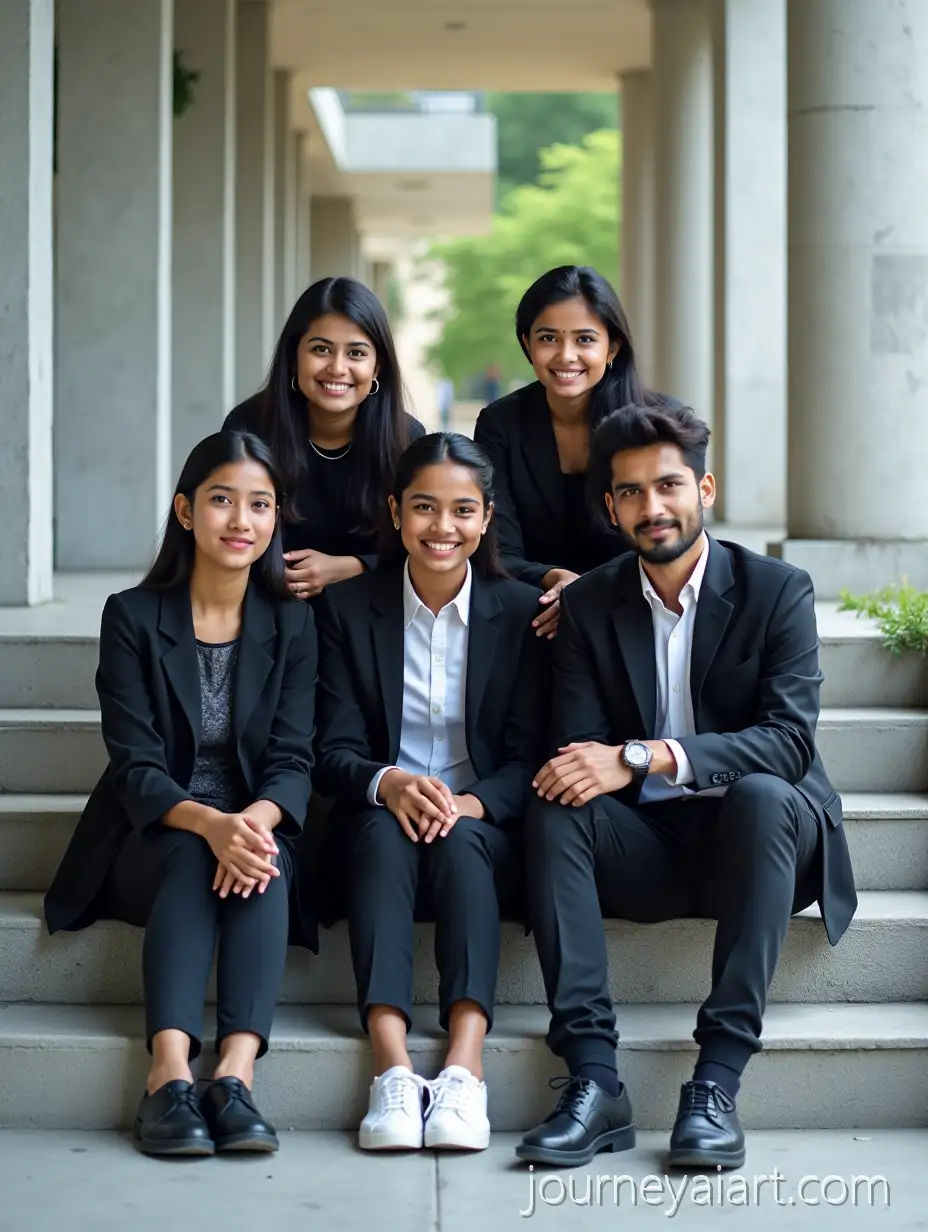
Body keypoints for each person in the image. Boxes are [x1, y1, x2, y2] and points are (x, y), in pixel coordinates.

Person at [515, 403, 856, 1170]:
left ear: (704, 487)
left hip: (765, 842)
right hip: (649, 847)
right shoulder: (590, 603)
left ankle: (716, 1082)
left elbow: (789, 741)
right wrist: (604, 765)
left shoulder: (776, 590)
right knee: (557, 797)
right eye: (630, 492)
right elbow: (578, 750)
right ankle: (595, 1080)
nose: (652, 506)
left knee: (763, 794)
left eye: (667, 485)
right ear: (609, 507)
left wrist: (646, 756)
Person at [44, 430, 318, 1158]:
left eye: (260, 505)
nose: (242, 520)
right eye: (223, 500)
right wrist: (211, 825)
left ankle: (232, 1076)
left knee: (264, 858)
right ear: (186, 512)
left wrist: (246, 825)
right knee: (200, 856)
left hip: (250, 822)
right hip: (153, 832)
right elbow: (134, 766)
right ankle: (167, 1072)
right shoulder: (132, 616)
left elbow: (293, 757)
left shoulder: (292, 621)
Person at [314, 432, 548, 1152]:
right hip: (377, 815)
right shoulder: (348, 608)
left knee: (465, 840)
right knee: (384, 833)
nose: (441, 528)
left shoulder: (522, 612)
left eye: (461, 511)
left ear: (485, 519)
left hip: (484, 823)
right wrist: (388, 783)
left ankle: (463, 1068)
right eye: (423, 508)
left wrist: (472, 804)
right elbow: (331, 749)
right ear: (395, 511)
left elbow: (530, 752)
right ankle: (390, 1070)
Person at [473, 264, 677, 639]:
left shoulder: (664, 423)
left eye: (585, 340)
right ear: (527, 343)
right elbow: (496, 545)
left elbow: (671, 540)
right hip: (532, 607)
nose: (566, 356)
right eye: (548, 338)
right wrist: (554, 579)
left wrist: (584, 594)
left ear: (612, 346)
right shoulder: (500, 423)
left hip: (639, 607)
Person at [225, 276, 424, 601]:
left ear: (377, 367)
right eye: (321, 349)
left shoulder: (406, 437)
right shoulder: (250, 426)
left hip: (371, 608)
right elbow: (226, 528)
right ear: (294, 357)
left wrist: (354, 567)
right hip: (269, 604)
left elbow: (427, 544)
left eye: (356, 353)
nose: (337, 367)